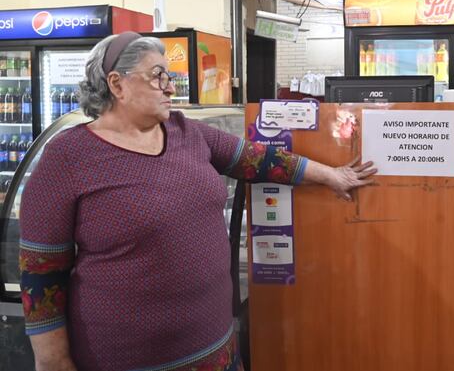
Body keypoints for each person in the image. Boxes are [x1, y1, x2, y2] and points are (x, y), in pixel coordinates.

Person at [19, 32, 377, 371]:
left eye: (170, 76)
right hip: (124, 359)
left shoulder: (187, 132)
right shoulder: (68, 157)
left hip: (216, 354)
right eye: (158, 76)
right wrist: (53, 362)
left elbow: (258, 159)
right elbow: (41, 273)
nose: (171, 87)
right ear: (117, 84)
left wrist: (332, 175)